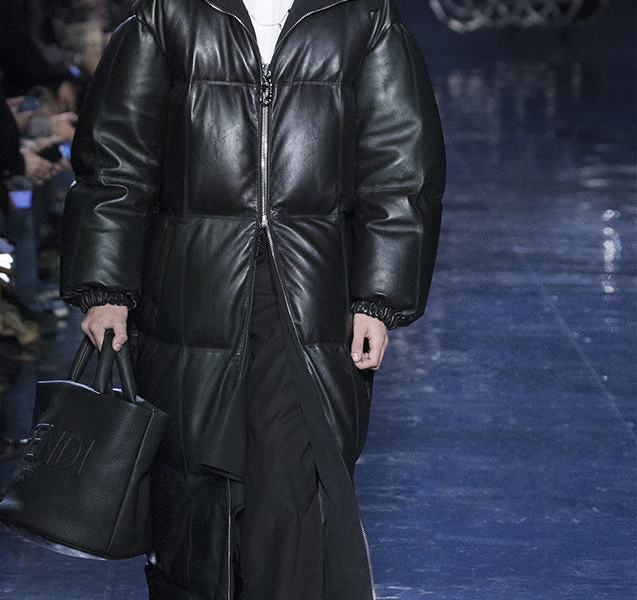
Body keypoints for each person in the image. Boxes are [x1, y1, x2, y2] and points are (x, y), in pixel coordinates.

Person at [60, 1, 445, 599]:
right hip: (189, 285)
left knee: (291, 478)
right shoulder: (170, 13)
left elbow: (399, 166)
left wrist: (377, 298)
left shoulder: (360, 15)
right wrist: (106, 288)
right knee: (198, 482)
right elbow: (117, 157)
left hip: (310, 292)